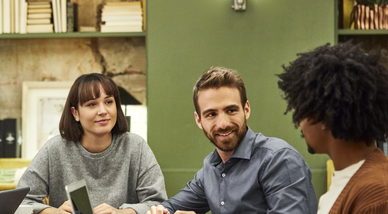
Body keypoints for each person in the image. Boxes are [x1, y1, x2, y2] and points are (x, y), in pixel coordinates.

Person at [149, 66, 318, 214]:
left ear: (246, 109)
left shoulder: (278, 159)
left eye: (231, 110)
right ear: (199, 120)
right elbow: (170, 207)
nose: (223, 124)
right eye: (211, 114)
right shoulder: (210, 169)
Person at [17, 73, 167, 214]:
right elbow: (21, 201)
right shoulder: (55, 149)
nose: (103, 111)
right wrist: (54, 212)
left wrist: (121, 212)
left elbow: (158, 203)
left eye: (109, 102)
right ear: (75, 113)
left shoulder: (136, 146)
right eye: (91, 104)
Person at [277, 42, 388, 213]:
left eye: (303, 111)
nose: (300, 123)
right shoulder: (352, 177)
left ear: (324, 117)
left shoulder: (376, 195)